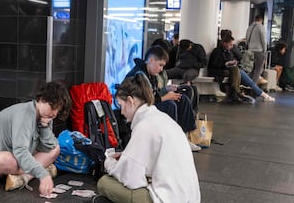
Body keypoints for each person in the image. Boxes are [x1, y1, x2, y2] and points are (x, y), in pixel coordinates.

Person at [94, 73, 201, 203]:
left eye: (121, 106)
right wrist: (126, 156)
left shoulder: (144, 126)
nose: (121, 112)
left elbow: (132, 180)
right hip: (188, 196)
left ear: (130, 101)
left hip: (168, 198)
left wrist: (109, 163)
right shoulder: (160, 118)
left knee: (104, 183)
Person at [0, 81, 71, 197]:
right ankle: (31, 174)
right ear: (42, 99)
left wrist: (45, 127)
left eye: (58, 110)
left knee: (55, 149)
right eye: (53, 107)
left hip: (15, 156)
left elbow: (47, 147)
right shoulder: (24, 114)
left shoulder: (46, 116)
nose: (54, 113)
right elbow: (20, 152)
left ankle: (23, 177)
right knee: (9, 160)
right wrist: (43, 175)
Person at [125, 45, 201, 151]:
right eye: (160, 65)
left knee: (182, 99)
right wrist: (164, 97)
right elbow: (142, 101)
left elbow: (153, 93)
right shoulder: (138, 75)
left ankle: (182, 138)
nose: (161, 69)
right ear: (151, 60)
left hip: (150, 103)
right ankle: (171, 141)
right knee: (169, 104)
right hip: (140, 108)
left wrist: (166, 90)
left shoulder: (150, 74)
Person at [208, 34, 275, 102]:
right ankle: (260, 94)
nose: (232, 46)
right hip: (219, 71)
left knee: (240, 73)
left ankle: (240, 91)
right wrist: (227, 63)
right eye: (230, 44)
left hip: (228, 70)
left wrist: (230, 63)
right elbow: (215, 64)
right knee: (241, 74)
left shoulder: (227, 51)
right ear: (225, 43)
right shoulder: (217, 52)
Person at [245, 15, 267, 84]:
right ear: (261, 20)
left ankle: (248, 84)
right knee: (258, 70)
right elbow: (263, 40)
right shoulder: (261, 27)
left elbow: (247, 39)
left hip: (250, 51)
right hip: (259, 51)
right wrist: (264, 50)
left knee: (251, 69)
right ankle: (253, 86)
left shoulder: (249, 27)